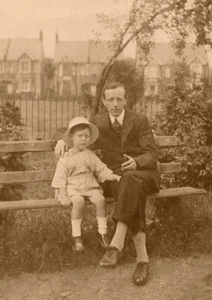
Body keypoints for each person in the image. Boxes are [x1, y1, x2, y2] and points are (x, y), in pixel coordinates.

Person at [53, 82, 160, 286]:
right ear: (104, 102)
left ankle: (116, 244)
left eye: (119, 99)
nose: (115, 104)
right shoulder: (98, 123)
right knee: (130, 188)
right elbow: (68, 129)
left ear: (126, 100)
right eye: (110, 99)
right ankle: (142, 260)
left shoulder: (139, 120)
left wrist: (137, 162)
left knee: (131, 181)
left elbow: (153, 154)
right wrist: (60, 139)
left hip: (145, 174)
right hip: (116, 179)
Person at [52, 116, 121, 252]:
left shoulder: (90, 155)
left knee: (100, 199)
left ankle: (103, 233)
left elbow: (101, 169)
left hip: (89, 185)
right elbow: (60, 177)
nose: (84, 139)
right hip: (73, 187)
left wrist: (114, 176)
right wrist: (63, 195)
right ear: (71, 137)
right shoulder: (66, 157)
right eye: (80, 136)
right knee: (78, 201)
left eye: (87, 136)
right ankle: (77, 237)